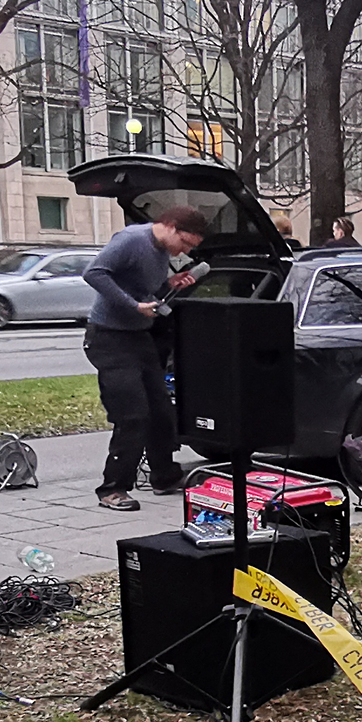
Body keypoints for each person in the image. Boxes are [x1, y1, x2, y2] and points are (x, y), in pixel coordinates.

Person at [82, 204, 207, 511]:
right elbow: (94, 273)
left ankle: (164, 476)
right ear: (172, 227)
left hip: (139, 336)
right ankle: (113, 488)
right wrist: (131, 305)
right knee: (132, 414)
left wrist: (171, 283)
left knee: (162, 411)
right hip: (109, 337)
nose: (183, 252)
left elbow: (143, 286)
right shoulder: (130, 240)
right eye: (186, 243)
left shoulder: (162, 251)